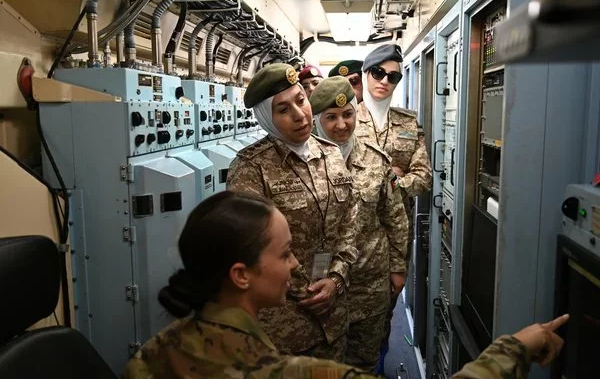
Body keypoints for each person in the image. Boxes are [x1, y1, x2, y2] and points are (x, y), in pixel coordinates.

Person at [121, 191, 570, 379]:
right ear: (241, 275)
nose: (296, 264)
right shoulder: (297, 374)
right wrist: (518, 346)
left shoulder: (151, 354)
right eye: (284, 254)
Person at [226, 63, 359, 361]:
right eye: (283, 110)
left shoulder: (331, 154)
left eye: (300, 100)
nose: (299, 115)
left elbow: (350, 224)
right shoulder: (250, 168)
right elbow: (249, 250)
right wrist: (306, 291)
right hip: (283, 327)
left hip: (334, 315)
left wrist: (337, 279)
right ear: (266, 119)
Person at [309, 76, 409, 372]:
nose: (341, 124)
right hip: (322, 287)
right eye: (331, 117)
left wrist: (398, 267)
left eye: (347, 114)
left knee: (366, 360)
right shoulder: (306, 162)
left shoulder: (377, 159)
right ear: (317, 120)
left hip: (369, 281)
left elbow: (395, 218)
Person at [357, 44, 433, 370]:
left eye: (393, 76)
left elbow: (423, 176)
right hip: (352, 235)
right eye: (378, 72)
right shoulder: (343, 118)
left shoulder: (407, 122)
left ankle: (379, 364)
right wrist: (390, 175)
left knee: (384, 312)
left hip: (394, 238)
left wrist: (393, 183)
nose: (385, 81)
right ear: (365, 73)